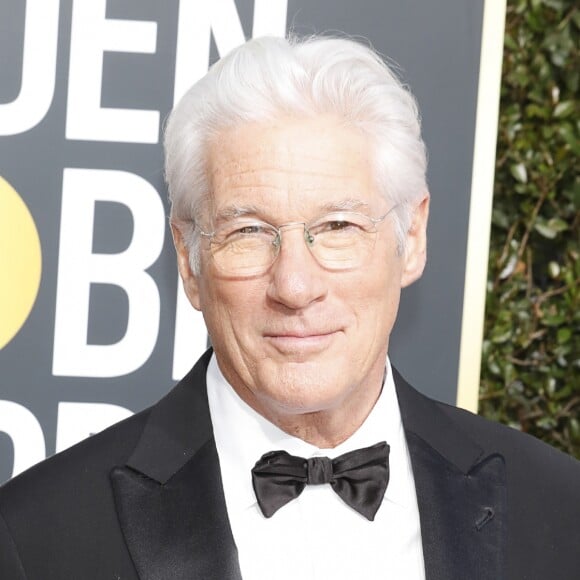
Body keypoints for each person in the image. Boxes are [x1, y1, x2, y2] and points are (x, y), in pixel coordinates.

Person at [0, 35, 578, 580]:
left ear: (414, 237)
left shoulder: (557, 510)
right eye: (249, 232)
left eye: (337, 226)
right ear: (188, 258)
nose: (295, 286)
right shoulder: (37, 537)